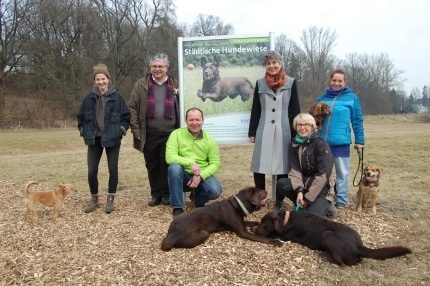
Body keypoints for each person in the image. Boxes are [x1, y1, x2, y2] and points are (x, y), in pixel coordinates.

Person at [77, 63, 130, 214]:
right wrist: (83, 130)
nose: (101, 82)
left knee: (113, 169)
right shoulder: (88, 99)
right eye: (98, 79)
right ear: (94, 81)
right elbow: (80, 118)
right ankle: (94, 199)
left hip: (113, 138)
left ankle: (110, 200)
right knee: (91, 171)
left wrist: (121, 129)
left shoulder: (117, 98)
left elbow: (126, 117)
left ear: (108, 79)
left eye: (103, 78)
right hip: (94, 139)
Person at [128, 53, 180, 207]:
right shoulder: (141, 84)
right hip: (148, 133)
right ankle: (155, 194)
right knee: (152, 165)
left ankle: (166, 194)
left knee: (167, 164)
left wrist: (180, 94)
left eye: (160, 66)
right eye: (154, 66)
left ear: (167, 68)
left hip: (170, 133)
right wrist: (136, 131)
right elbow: (132, 107)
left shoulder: (176, 83)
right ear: (150, 68)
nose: (157, 69)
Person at [248, 50, 301, 193]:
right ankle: (260, 196)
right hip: (263, 128)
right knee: (259, 163)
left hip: (284, 128)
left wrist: (296, 132)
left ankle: (279, 199)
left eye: (274, 63)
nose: (271, 66)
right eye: (268, 63)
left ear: (280, 64)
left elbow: (295, 109)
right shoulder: (260, 83)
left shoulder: (291, 82)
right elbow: (255, 109)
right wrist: (252, 131)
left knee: (281, 164)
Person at [315, 69, 365, 208]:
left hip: (341, 141)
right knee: (323, 172)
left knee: (342, 172)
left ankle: (341, 200)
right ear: (330, 81)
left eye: (339, 81)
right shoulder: (322, 98)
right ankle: (324, 197)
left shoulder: (352, 98)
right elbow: (312, 117)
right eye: (334, 80)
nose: (336, 83)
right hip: (322, 142)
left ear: (344, 82)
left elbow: (357, 120)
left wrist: (359, 141)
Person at [276, 113, 337, 218]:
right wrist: (299, 192)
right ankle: (302, 204)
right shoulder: (293, 145)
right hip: (305, 185)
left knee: (309, 219)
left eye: (306, 125)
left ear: (312, 127)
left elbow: (323, 175)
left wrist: (308, 198)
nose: (302, 128)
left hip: (322, 188)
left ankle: (327, 205)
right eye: (299, 125)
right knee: (282, 183)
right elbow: (295, 171)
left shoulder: (321, 144)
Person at [166, 107, 222, 217]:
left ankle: (197, 199)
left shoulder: (210, 140)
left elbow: (215, 163)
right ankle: (177, 208)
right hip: (182, 174)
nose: (194, 123)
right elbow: (169, 157)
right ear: (185, 121)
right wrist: (190, 162)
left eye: (197, 120)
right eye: (191, 120)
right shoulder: (176, 134)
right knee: (174, 168)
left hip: (202, 173)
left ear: (203, 121)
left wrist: (200, 175)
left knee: (216, 191)